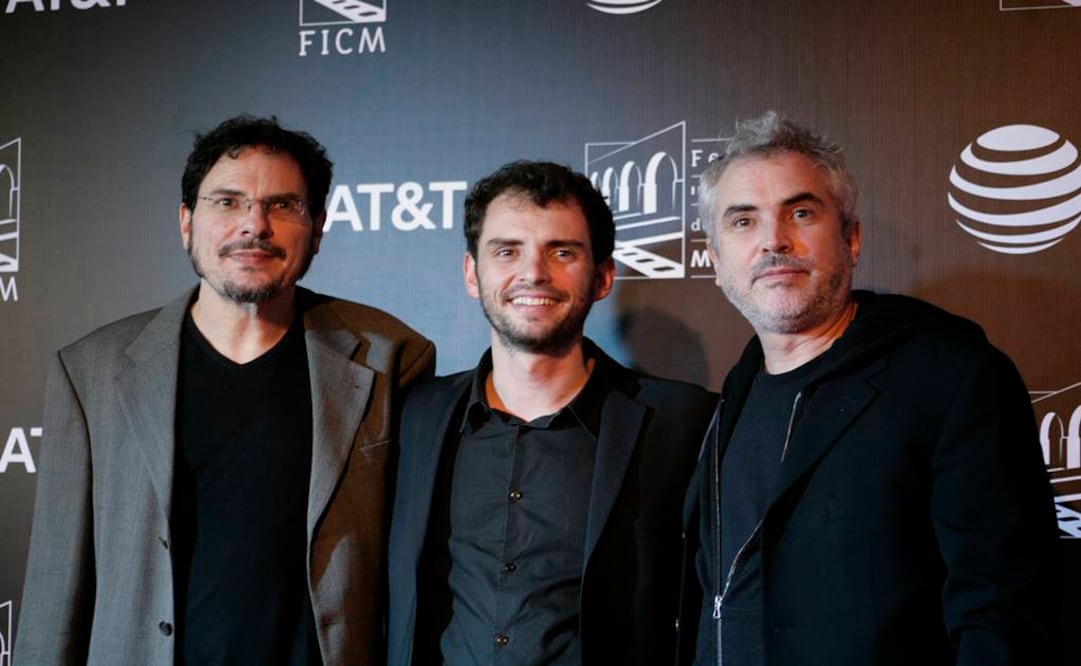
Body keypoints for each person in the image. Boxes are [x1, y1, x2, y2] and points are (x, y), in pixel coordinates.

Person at [16, 115, 435, 665]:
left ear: (318, 228)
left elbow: (416, 578)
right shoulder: (91, 371)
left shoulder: (392, 357)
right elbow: (54, 597)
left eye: (283, 205)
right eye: (227, 202)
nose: (254, 225)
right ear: (186, 222)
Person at [681, 111, 1059, 665]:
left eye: (801, 212)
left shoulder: (950, 377)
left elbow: (1005, 607)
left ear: (851, 239)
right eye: (742, 222)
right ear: (714, 261)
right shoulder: (733, 396)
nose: (773, 242)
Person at [386, 160, 716, 665]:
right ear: (473, 273)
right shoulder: (416, 416)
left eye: (562, 252)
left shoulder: (682, 423)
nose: (534, 273)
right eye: (507, 251)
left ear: (604, 275)